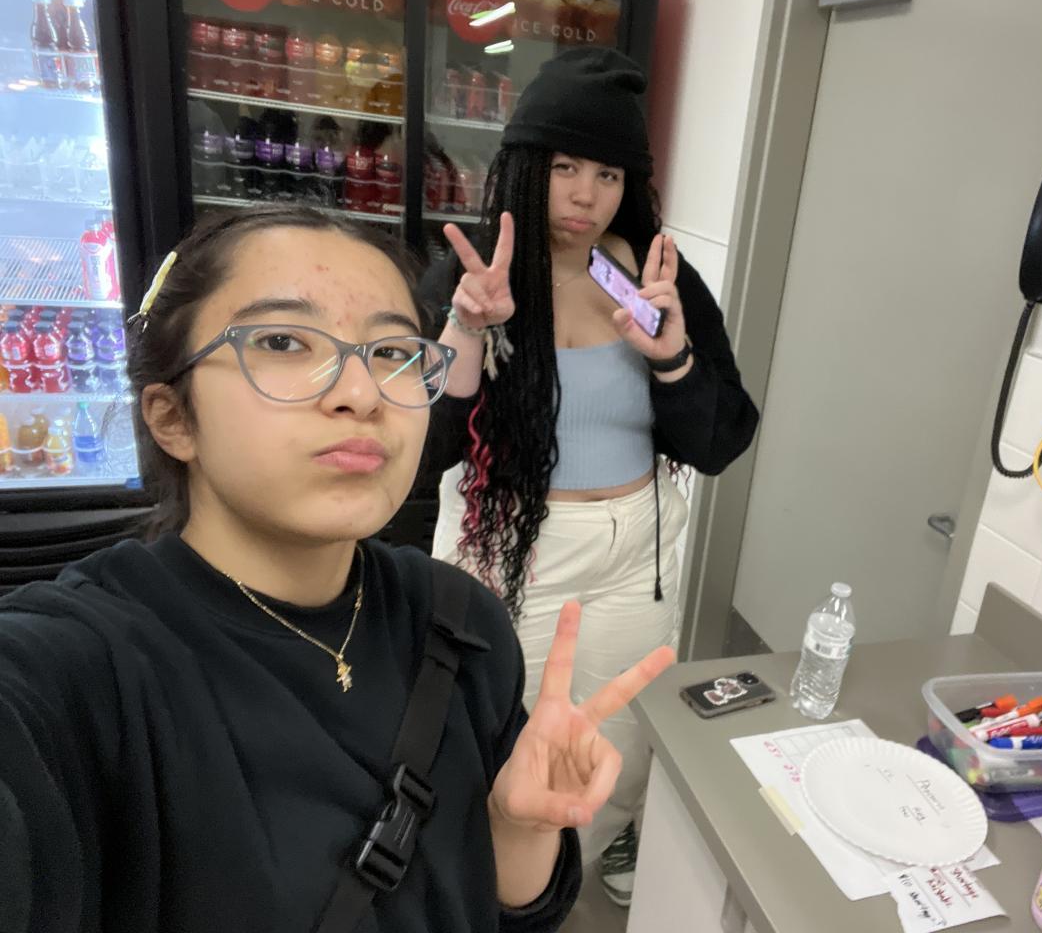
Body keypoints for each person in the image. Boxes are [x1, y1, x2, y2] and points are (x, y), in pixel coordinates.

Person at [0, 206, 673, 932]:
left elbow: (505, 911)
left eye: (392, 351)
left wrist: (522, 825)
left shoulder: (460, 620)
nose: (362, 393)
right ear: (173, 418)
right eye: (283, 341)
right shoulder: (80, 671)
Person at [420, 48, 759, 905]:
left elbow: (721, 439)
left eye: (608, 174)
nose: (585, 195)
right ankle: (483, 893)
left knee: (617, 735)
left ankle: (572, 883)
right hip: (510, 547)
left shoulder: (648, 273)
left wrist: (673, 357)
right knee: (491, 733)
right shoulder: (474, 275)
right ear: (525, 164)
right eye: (565, 167)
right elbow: (422, 451)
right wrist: (467, 329)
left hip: (636, 550)